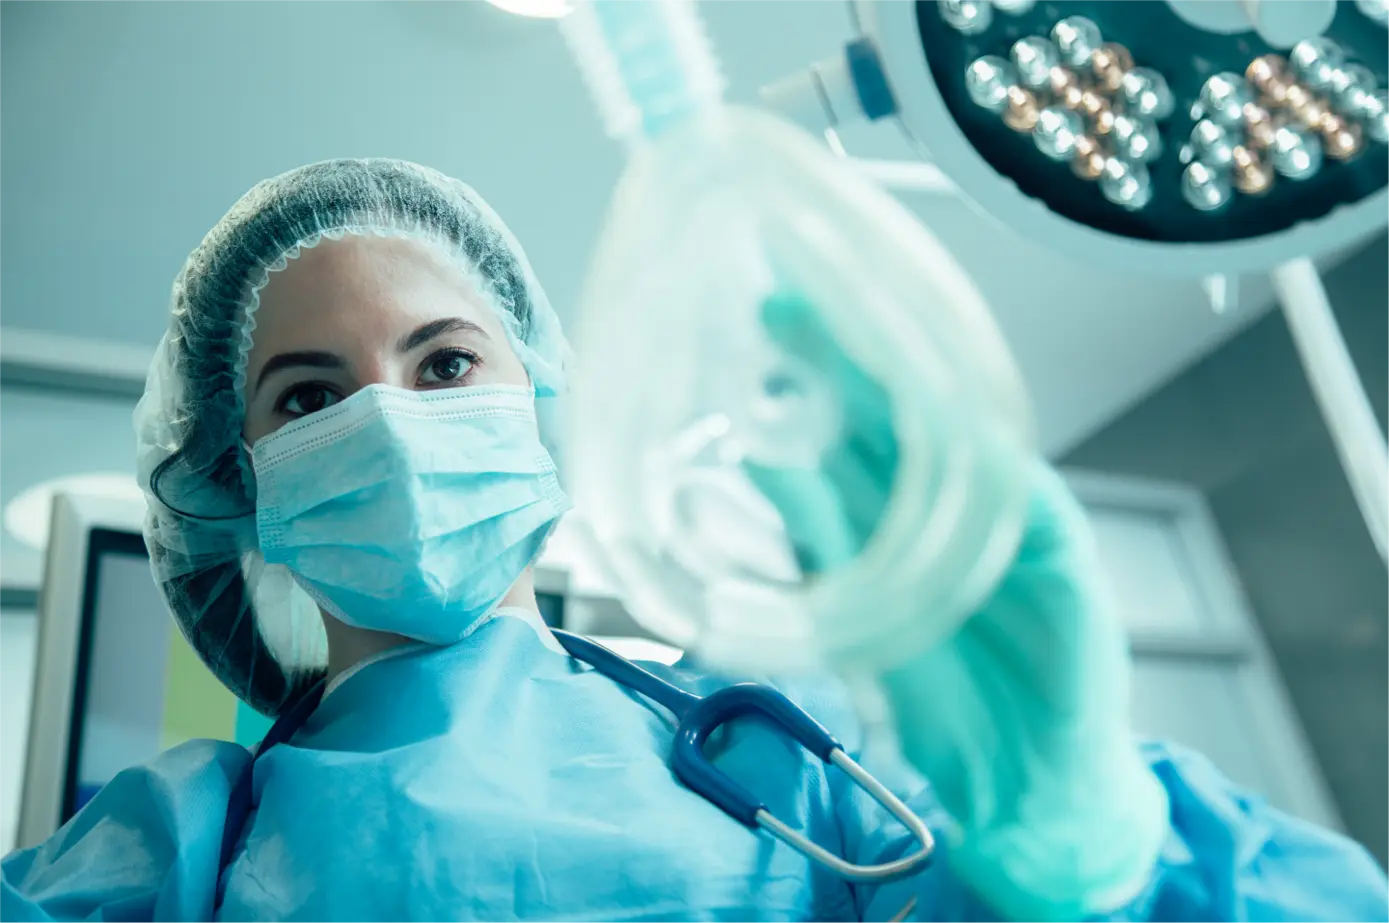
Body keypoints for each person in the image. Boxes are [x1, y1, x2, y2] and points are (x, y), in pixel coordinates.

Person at [2, 158, 1386, 922]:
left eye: (443, 366)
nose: (390, 425)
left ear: (540, 405)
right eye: (310, 396)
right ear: (237, 489)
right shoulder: (185, 845)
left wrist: (1100, 854)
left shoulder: (786, 765)